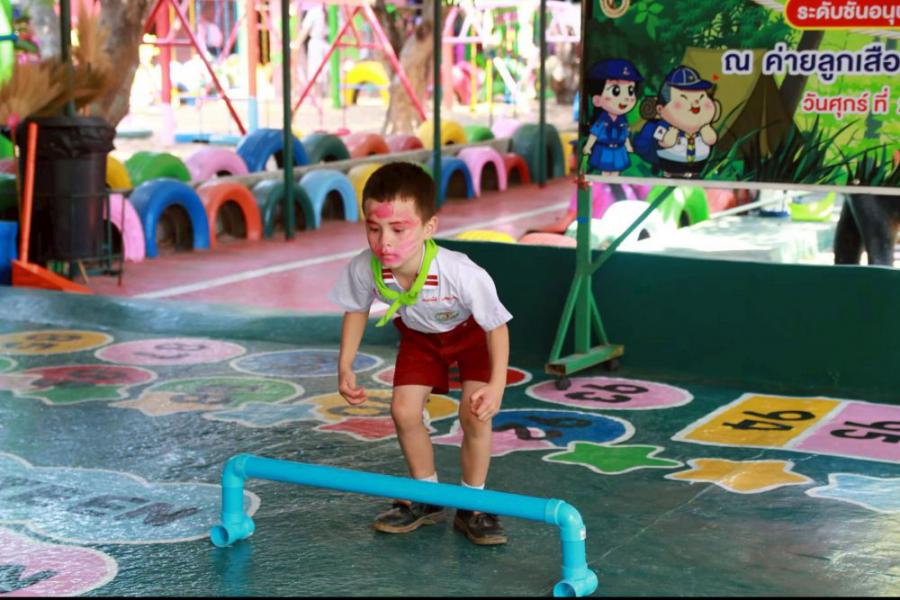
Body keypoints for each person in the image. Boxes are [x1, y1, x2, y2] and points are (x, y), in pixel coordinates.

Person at [328, 162, 513, 546]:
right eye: (374, 228)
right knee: (403, 412)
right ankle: (427, 496)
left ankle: (473, 505)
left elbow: (497, 327)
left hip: (473, 337)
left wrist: (496, 386)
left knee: (475, 415)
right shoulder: (365, 268)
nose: (384, 242)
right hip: (420, 339)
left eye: (399, 229)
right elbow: (357, 310)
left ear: (429, 227)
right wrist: (345, 364)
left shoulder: (460, 272)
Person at [582, 58, 643, 176]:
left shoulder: (622, 120)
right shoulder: (602, 120)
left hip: (619, 151)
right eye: (616, 91)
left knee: (616, 173)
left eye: (630, 90)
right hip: (605, 151)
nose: (626, 97)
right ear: (597, 100)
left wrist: (628, 146)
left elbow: (625, 135)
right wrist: (588, 146)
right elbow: (594, 134)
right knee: (605, 173)